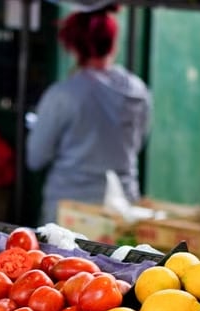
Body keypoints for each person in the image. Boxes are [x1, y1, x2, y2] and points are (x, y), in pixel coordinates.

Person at [26, 4, 151, 226]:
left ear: (73, 47)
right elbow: (139, 143)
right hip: (122, 210)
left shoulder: (62, 95)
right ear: (113, 45)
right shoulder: (137, 91)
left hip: (69, 215)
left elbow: (36, 157)